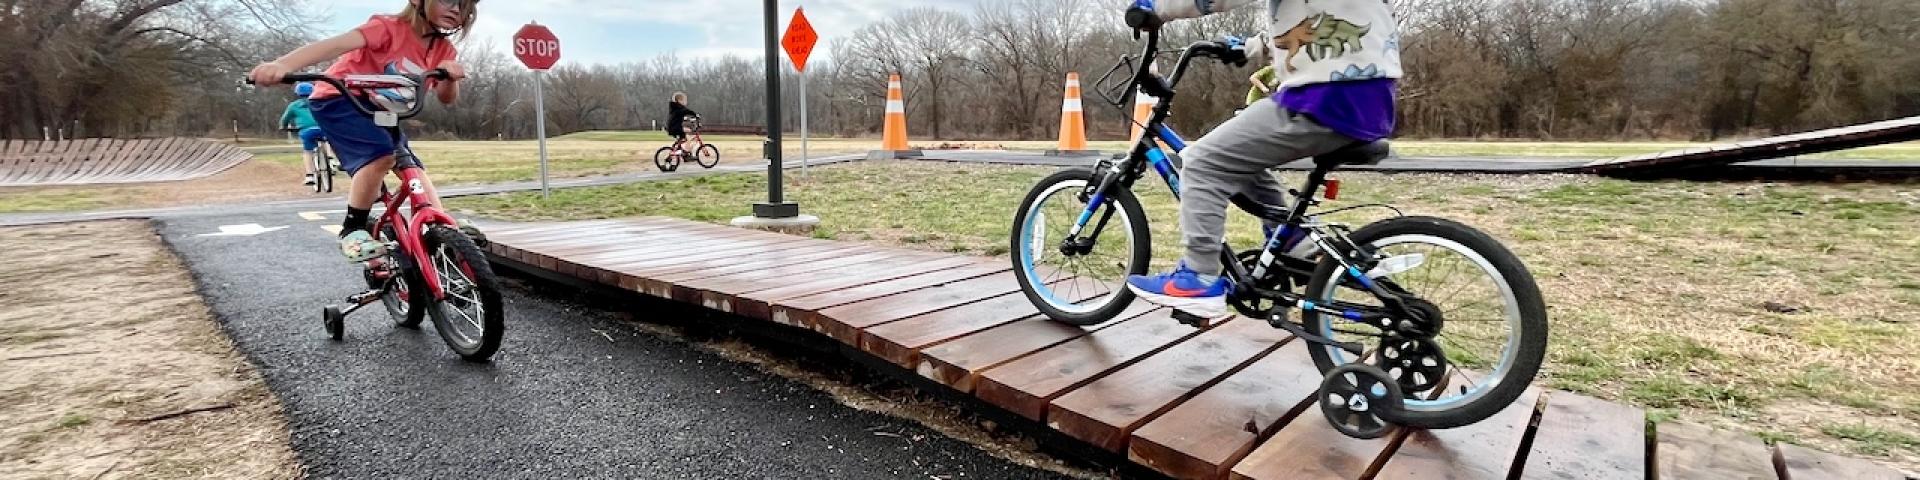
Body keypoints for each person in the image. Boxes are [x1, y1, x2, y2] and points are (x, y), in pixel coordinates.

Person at [1124, 0, 1402, 320]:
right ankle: (1291, 238)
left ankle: (1197, 278)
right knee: (1238, 153)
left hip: (1325, 95)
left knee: (1202, 161)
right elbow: (1315, 16)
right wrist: (1250, 46)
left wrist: (1156, 7)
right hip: (1367, 94)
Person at [248, 0, 481, 262]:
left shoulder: (443, 49)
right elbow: (334, 45)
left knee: (410, 166)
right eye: (448, 1)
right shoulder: (388, 28)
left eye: (464, 7)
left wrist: (450, 77)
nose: (455, 10)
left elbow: (447, 98)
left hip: (381, 108)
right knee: (380, 156)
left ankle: (442, 225)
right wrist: (283, 65)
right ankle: (353, 228)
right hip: (339, 99)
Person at [281, 82, 326, 186]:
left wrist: (283, 126)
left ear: (298, 93)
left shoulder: (294, 105)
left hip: (306, 131)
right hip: (323, 128)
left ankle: (309, 175)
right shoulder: (320, 102)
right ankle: (331, 161)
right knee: (328, 140)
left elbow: (285, 118)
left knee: (308, 152)